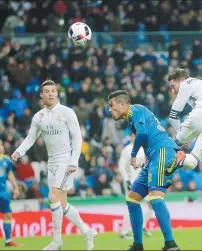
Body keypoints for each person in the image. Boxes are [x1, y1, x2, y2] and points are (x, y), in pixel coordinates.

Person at [11, 80, 97, 250]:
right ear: (41, 95)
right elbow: (30, 138)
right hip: (52, 162)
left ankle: (57, 240)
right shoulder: (39, 116)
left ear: (57, 93)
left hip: (66, 161)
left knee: (52, 197)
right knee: (62, 203)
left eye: (53, 91)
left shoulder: (67, 112)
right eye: (47, 91)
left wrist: (74, 161)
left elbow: (77, 138)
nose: (50, 94)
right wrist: (18, 152)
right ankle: (87, 231)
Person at [108, 90, 180, 251]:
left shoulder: (135, 109)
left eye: (111, 106)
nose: (109, 110)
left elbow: (142, 133)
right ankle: (137, 245)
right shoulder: (133, 117)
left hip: (162, 152)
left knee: (155, 199)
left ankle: (171, 244)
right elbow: (148, 135)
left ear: (122, 104)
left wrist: (133, 155)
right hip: (153, 157)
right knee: (132, 199)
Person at [118, 133, 153, 239]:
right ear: (130, 137)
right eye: (133, 136)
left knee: (151, 203)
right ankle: (123, 232)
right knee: (131, 206)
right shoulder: (127, 150)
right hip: (131, 181)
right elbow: (121, 166)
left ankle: (142, 226)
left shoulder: (144, 149)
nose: (135, 138)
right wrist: (126, 179)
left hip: (143, 180)